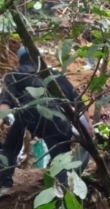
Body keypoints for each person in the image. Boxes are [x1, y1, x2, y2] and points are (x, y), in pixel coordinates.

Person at [0, 46, 90, 195]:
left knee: (9, 147)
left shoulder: (14, 74)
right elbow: (78, 103)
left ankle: (4, 183)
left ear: (19, 60)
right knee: (61, 160)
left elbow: (5, 103)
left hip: (29, 114)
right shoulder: (54, 75)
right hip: (57, 119)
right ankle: (66, 196)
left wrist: (3, 120)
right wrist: (89, 129)